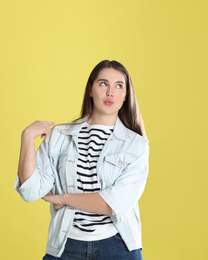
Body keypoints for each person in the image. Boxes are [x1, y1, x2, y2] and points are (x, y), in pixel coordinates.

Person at [15, 60, 149, 260]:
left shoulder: (136, 145)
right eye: (103, 84)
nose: (110, 92)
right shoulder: (60, 136)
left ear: (125, 96)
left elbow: (112, 204)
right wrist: (26, 137)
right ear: (90, 90)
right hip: (66, 246)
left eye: (119, 86)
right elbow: (31, 190)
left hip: (118, 247)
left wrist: (63, 198)